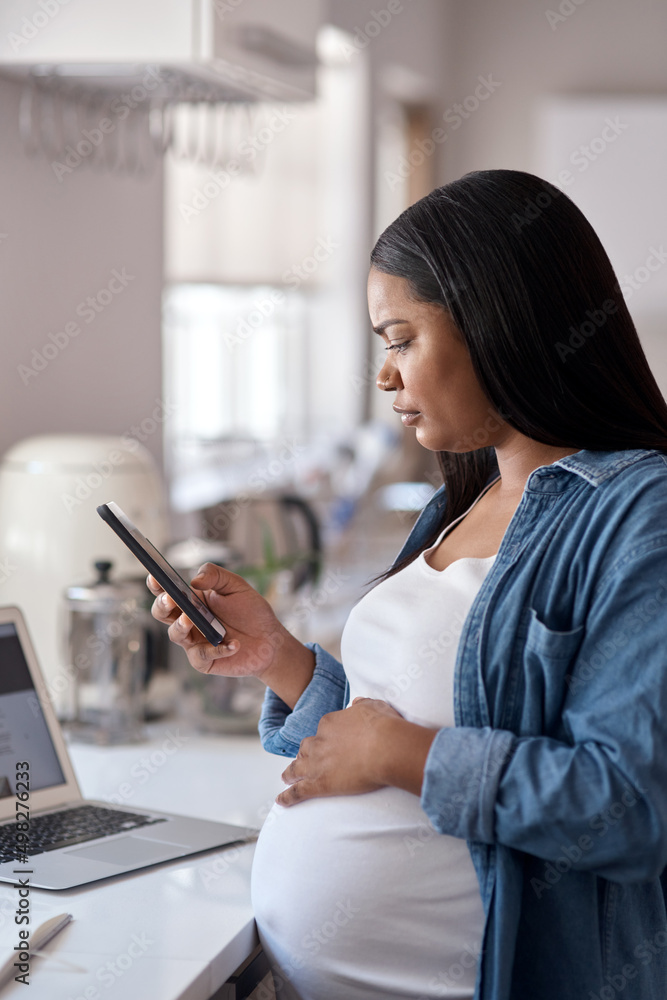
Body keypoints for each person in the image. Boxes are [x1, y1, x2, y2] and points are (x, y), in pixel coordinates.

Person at [149, 169, 667, 1000]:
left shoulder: (641, 513)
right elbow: (401, 714)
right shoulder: (460, 502)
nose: (384, 377)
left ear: (499, 323)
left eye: (400, 339)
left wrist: (399, 755)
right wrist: (279, 660)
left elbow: (628, 809)